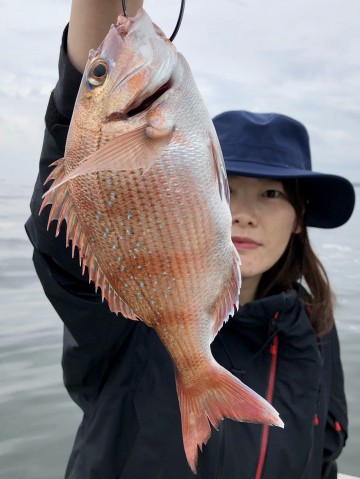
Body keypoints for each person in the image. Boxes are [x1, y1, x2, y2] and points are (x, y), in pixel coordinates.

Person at [25, 1, 355, 478]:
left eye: (270, 193)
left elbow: (323, 452)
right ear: (203, 180)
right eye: (228, 187)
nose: (242, 213)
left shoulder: (314, 327)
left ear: (300, 217)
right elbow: (64, 228)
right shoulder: (125, 322)